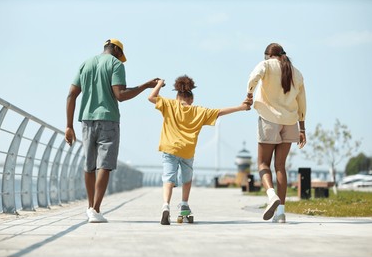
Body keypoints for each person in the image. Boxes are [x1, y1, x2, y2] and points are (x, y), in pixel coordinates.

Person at [65, 38, 159, 223]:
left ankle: (90, 207)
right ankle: (96, 209)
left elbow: (71, 95)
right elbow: (120, 95)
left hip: (86, 120)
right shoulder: (116, 64)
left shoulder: (86, 63)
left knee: (89, 165)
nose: (119, 57)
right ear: (115, 49)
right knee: (105, 165)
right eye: (120, 54)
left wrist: (69, 125)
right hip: (108, 120)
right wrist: (146, 86)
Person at [148, 75, 252, 225]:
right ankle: (184, 204)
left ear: (177, 96)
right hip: (187, 151)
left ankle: (166, 205)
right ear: (192, 99)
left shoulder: (169, 104)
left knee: (168, 178)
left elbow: (151, 97)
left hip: (170, 148)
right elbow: (220, 112)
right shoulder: (199, 111)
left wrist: (159, 84)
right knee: (187, 179)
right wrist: (241, 107)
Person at [245, 43, 307, 223]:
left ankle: (271, 196)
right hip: (290, 122)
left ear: (268, 56)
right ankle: (281, 214)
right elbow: (302, 102)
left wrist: (249, 94)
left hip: (269, 119)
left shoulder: (266, 65)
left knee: (263, 164)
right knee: (280, 166)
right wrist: (302, 127)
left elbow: (253, 77)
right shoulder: (297, 73)